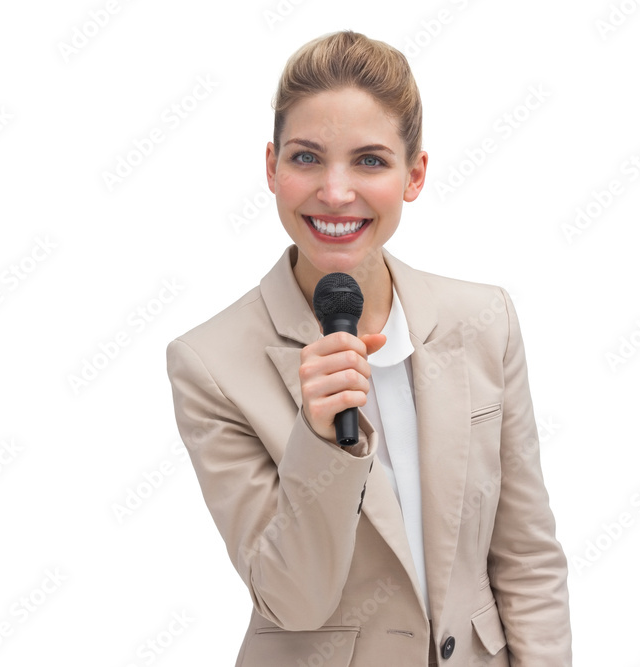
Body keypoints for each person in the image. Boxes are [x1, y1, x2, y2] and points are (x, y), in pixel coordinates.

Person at [166, 30, 571, 667]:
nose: (334, 192)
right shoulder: (211, 364)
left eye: (370, 161)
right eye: (305, 158)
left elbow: (526, 557)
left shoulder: (483, 320)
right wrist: (322, 442)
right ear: (270, 167)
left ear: (414, 176)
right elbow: (293, 600)